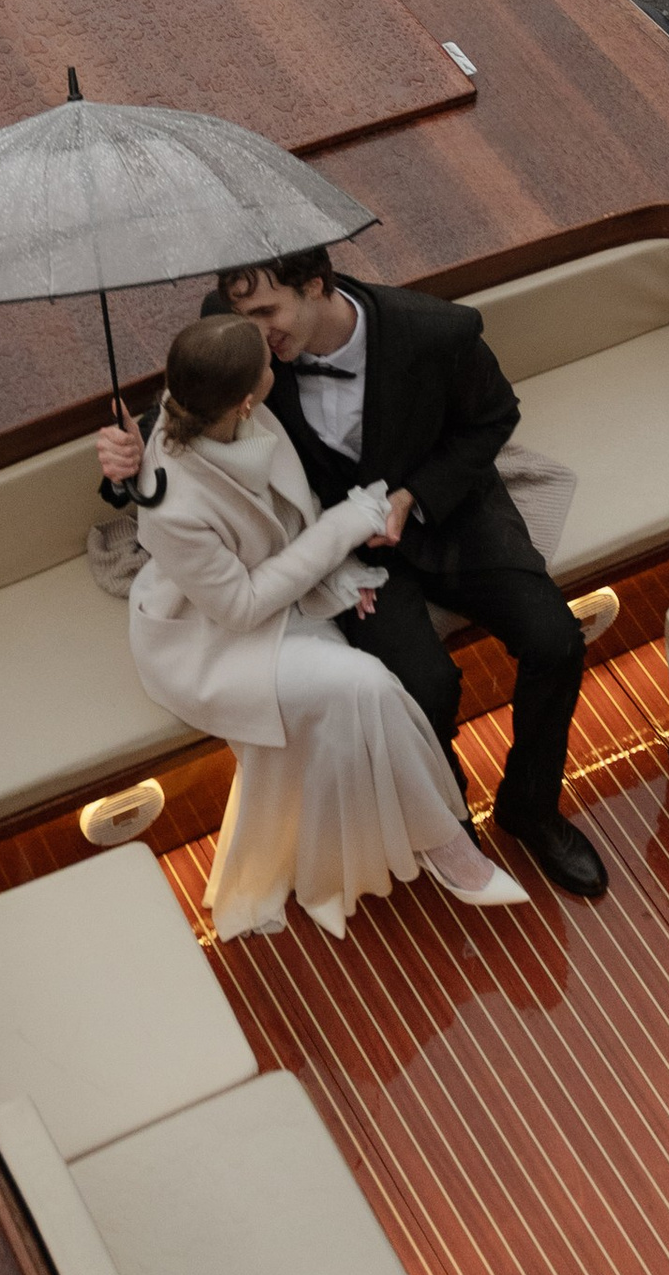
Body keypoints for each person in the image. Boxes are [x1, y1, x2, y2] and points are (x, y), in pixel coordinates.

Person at [100, 243, 606, 900]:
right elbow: (185, 417)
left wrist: (413, 497)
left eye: (266, 312)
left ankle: (531, 808)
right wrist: (123, 467)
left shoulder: (436, 329)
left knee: (556, 640)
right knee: (423, 685)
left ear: (316, 285)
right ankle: (448, 818)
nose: (255, 331)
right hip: (344, 546)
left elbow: (494, 418)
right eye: (243, 316)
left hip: (449, 516)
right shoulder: (238, 332)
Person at [122, 311, 525, 945]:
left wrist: (335, 573)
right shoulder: (172, 504)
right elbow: (240, 608)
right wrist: (346, 528)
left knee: (358, 698)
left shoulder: (225, 408)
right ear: (245, 397)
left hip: (278, 595)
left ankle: (366, 854)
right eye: (266, 360)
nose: (277, 358)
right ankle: (443, 842)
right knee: (366, 684)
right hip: (214, 642)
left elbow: (293, 510)